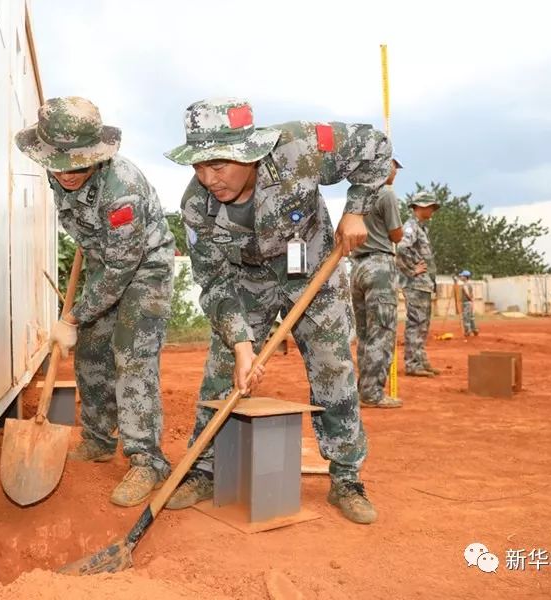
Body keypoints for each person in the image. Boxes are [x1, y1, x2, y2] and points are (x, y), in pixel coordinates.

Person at [164, 97, 392, 524]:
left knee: (332, 365)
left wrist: (356, 210)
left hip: (312, 267)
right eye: (198, 166)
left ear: (249, 153)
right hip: (245, 279)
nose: (208, 178)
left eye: (219, 165)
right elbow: (213, 281)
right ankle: (207, 469)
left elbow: (375, 147)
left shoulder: (299, 147)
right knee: (222, 369)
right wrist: (240, 344)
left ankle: (346, 477)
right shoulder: (196, 206)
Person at [15, 97, 174, 504]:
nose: (67, 174)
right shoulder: (59, 173)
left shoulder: (123, 192)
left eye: (79, 166)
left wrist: (72, 316)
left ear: (96, 157)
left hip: (143, 271)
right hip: (105, 264)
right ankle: (100, 439)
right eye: (59, 164)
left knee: (131, 357)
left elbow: (123, 268)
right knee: (91, 353)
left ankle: (146, 462)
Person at [349, 158, 404, 408]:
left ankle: (363, 389)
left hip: (358, 266)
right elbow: (396, 234)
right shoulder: (386, 195)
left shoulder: (356, 195)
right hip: (379, 266)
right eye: (393, 166)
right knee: (381, 332)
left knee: (364, 333)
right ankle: (371, 392)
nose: (395, 172)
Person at [396, 193, 440, 377]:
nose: (432, 210)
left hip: (423, 284)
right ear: (420, 207)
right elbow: (400, 247)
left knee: (423, 324)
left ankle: (420, 360)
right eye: (430, 206)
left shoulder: (421, 228)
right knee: (416, 323)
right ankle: (413, 363)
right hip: (415, 283)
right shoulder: (411, 227)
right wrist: (412, 268)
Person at [457, 270, 479, 336]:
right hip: (469, 302)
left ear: (465, 277)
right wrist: (471, 301)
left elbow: (467, 293)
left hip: (466, 302)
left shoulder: (465, 284)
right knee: (471, 316)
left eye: (462, 276)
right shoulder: (469, 284)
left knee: (466, 317)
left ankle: (468, 331)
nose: (461, 277)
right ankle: (474, 329)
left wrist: (469, 299)